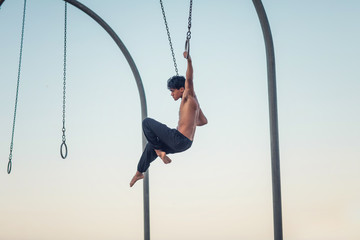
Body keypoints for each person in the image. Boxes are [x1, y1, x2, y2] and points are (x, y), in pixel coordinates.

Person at [130, 51, 207, 187]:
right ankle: (139, 172)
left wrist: (189, 60)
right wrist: (190, 119)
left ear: (182, 89)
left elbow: (189, 79)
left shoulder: (187, 96)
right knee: (151, 146)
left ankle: (160, 152)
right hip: (186, 144)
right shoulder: (195, 104)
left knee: (147, 123)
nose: (171, 94)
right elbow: (203, 121)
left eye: (172, 91)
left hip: (178, 138)